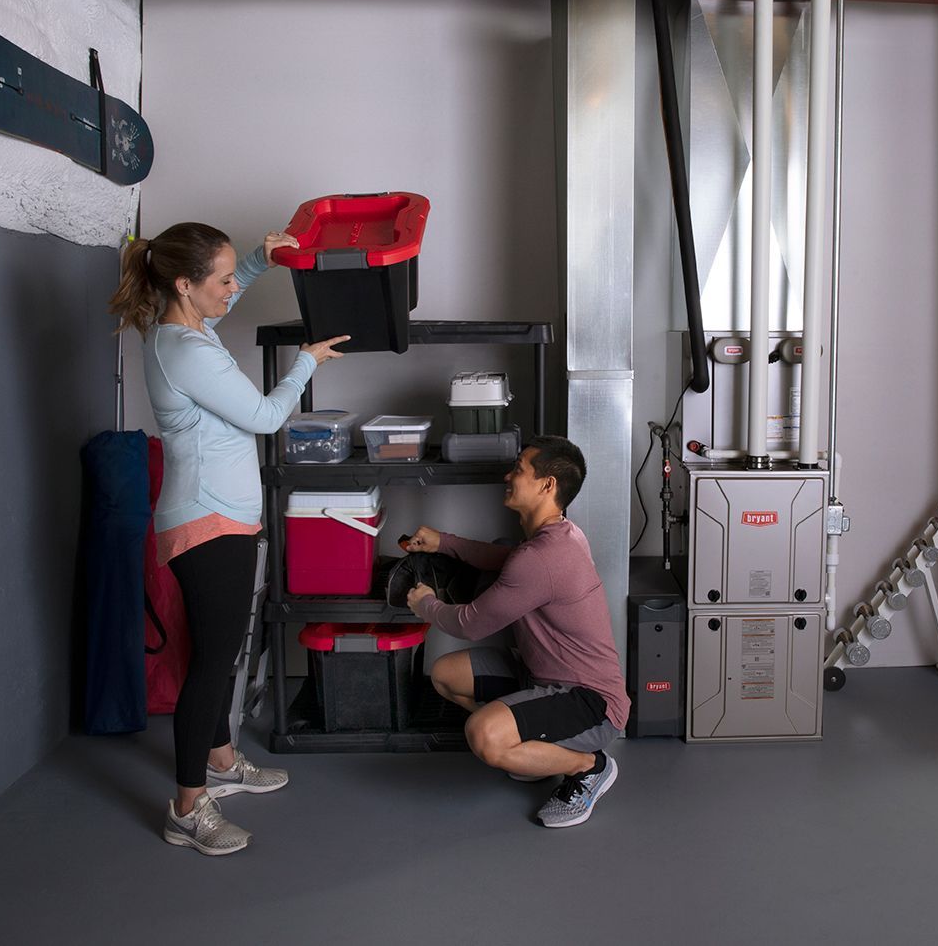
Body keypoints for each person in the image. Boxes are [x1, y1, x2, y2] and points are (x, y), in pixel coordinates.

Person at [107, 222, 349, 856]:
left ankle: (218, 758)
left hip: (219, 518)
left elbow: (219, 296)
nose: (229, 291)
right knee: (214, 664)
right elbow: (268, 417)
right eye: (219, 281)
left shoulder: (186, 330)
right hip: (207, 522)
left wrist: (253, 263)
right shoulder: (188, 350)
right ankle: (187, 807)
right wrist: (305, 363)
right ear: (185, 285)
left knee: (222, 656)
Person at [403, 435, 628, 828]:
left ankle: (588, 768)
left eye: (519, 469)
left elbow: (470, 624)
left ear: (547, 485)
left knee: (484, 736)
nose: (508, 475)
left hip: (589, 702)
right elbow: (506, 557)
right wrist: (444, 542)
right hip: (539, 674)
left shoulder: (543, 556)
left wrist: (425, 603)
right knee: (445, 676)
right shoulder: (556, 536)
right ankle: (536, 749)